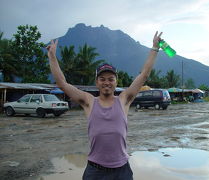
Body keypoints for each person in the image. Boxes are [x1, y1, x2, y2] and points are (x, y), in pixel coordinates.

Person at [47, 31, 162, 180]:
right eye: (102, 79)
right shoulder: (89, 101)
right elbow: (62, 83)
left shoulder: (124, 99)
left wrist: (154, 48)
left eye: (110, 79)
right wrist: (52, 57)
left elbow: (144, 75)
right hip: (95, 171)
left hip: (122, 171)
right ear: (96, 82)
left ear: (116, 82)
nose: (106, 82)